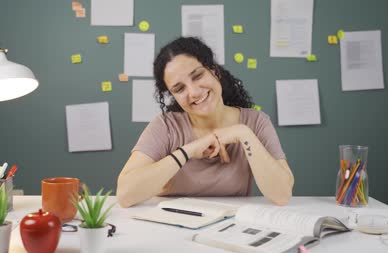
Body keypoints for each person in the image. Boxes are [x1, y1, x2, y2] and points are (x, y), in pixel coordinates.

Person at [116, 37, 294, 208]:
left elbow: (282, 194)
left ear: (214, 71)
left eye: (197, 76)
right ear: (174, 97)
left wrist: (243, 133)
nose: (193, 92)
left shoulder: (256, 122)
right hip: (171, 228)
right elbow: (125, 194)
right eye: (179, 89)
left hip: (230, 230)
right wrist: (188, 151)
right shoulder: (166, 127)